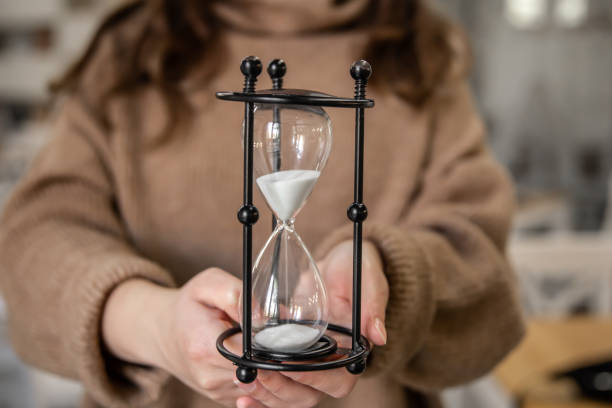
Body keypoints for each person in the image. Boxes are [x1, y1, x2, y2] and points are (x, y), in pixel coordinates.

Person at [0, 0, 525, 407]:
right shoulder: (136, 49)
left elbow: (477, 250)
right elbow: (39, 232)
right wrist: (151, 323)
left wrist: (387, 273)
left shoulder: (417, 52)